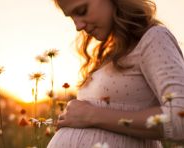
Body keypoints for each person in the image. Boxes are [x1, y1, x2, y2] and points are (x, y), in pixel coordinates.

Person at [48, 0, 184, 147]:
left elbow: (180, 117)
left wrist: (91, 115)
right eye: (71, 17)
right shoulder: (108, 54)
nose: (78, 26)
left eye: (81, 11)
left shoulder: (154, 38)